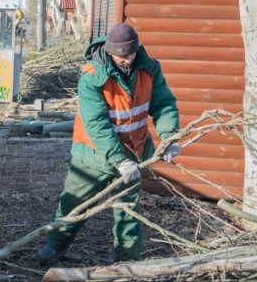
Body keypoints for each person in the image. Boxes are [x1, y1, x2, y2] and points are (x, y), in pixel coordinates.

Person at [36, 23, 181, 265]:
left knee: (128, 212)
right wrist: (118, 160)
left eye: (131, 54)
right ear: (110, 51)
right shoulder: (92, 76)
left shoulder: (149, 68)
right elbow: (96, 123)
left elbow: (164, 104)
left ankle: (126, 263)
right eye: (122, 56)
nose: (128, 60)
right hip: (93, 156)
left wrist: (168, 137)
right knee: (74, 204)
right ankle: (55, 247)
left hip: (133, 152)